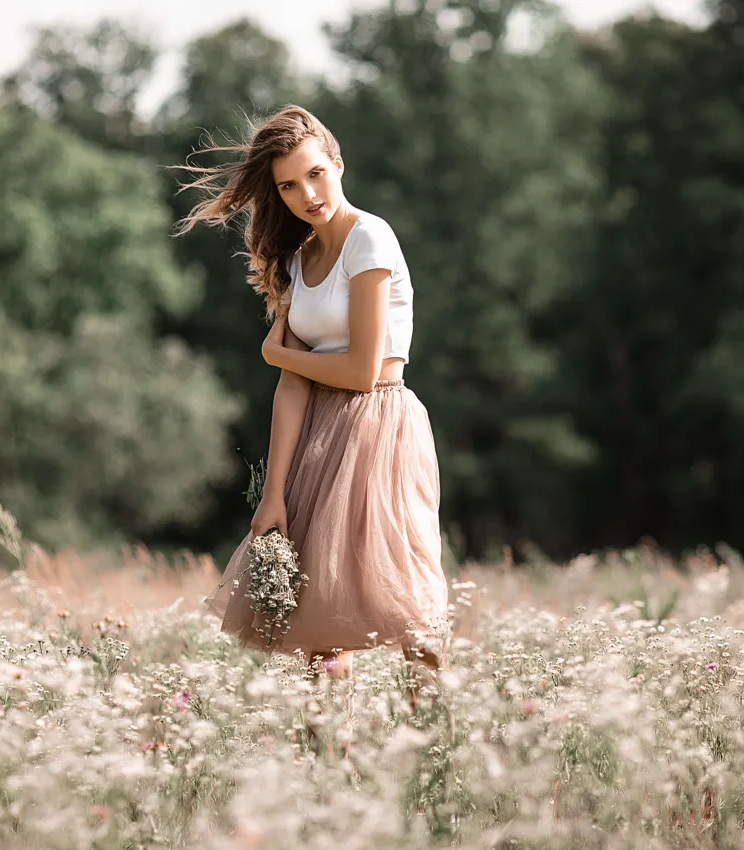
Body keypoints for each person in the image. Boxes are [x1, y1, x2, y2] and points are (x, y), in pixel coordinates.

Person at [172, 105, 448, 703]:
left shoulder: (369, 236)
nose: (307, 194)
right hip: (318, 434)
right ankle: (327, 761)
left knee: (409, 601)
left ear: (338, 164)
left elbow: (361, 370)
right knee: (318, 613)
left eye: (316, 174)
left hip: (379, 422)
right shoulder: (297, 261)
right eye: (289, 185)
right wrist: (274, 494)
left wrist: (280, 356)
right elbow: (292, 389)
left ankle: (432, 744)